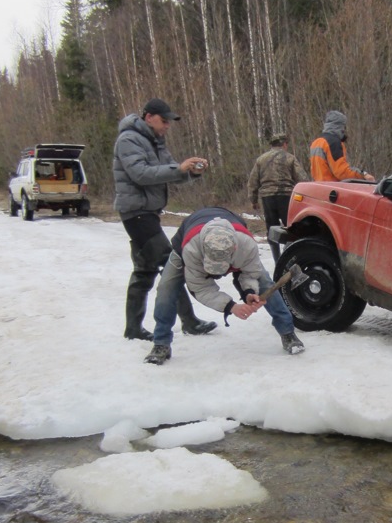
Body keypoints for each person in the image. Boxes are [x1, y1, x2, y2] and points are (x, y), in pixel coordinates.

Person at [112, 98, 217, 341]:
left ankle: (133, 328)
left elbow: (170, 170)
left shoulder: (154, 141)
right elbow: (140, 174)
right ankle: (189, 321)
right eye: (164, 121)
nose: (167, 126)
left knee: (144, 270)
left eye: (169, 122)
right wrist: (179, 169)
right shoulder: (129, 139)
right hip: (136, 213)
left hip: (146, 212)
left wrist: (191, 172)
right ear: (148, 117)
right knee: (172, 264)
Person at [145, 207, 305, 364]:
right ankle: (161, 343)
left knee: (264, 282)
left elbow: (250, 273)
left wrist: (250, 292)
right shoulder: (192, 250)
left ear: (235, 248)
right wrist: (231, 306)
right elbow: (201, 288)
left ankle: (288, 333)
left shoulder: (246, 245)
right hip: (186, 245)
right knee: (166, 289)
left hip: (236, 245)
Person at [247, 132, 309, 264]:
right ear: (284, 144)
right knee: (290, 228)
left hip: (267, 198)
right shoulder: (290, 158)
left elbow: (253, 182)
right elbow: (302, 178)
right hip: (286, 196)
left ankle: (277, 260)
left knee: (271, 229)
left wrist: (253, 200)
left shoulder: (261, 159)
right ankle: (290, 259)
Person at [310, 110, 375, 183]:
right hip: (332, 190)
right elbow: (341, 172)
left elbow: (314, 172)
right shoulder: (333, 142)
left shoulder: (316, 142)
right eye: (344, 126)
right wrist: (363, 175)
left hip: (318, 188)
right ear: (340, 126)